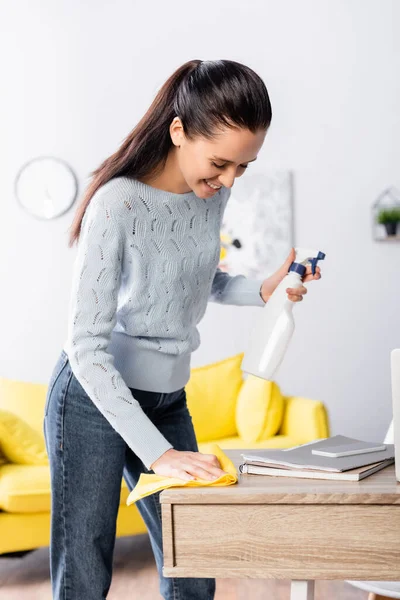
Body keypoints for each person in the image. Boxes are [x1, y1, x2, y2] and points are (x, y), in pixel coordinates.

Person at [43, 58, 321, 600]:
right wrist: (159, 453)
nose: (228, 180)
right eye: (220, 163)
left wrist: (261, 290)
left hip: (166, 397)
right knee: (85, 571)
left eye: (243, 167)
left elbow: (196, 279)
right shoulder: (116, 204)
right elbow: (86, 347)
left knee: (194, 562)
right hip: (90, 401)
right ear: (178, 131)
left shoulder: (212, 195)